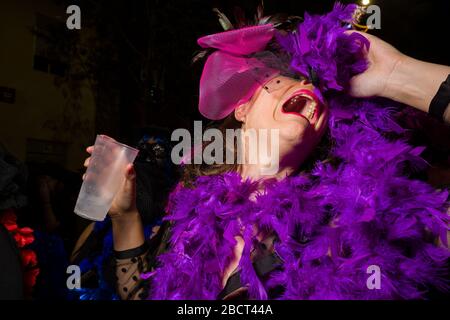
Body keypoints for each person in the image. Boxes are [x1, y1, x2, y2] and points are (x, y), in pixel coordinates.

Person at [81, 3, 449, 299]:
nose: (308, 88)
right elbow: (144, 294)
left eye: (317, 89)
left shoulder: (367, 210)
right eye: (282, 81)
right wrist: (124, 216)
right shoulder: (189, 223)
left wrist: (398, 74)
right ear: (242, 109)